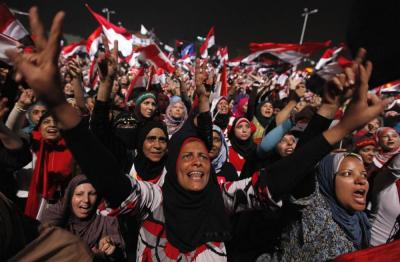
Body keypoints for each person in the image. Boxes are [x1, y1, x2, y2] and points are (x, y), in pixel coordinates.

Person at [6, 8, 388, 260]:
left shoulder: (225, 200)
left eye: (203, 155)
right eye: (185, 155)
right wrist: (58, 102)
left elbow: (286, 174)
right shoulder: (152, 200)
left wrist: (334, 121)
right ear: (172, 164)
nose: (196, 161)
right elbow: (104, 170)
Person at [41, 175, 126, 261]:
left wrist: (112, 250)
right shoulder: (55, 215)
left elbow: (120, 257)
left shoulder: (107, 221)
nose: (86, 200)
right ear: (70, 196)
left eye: (92, 194)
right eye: (79, 194)